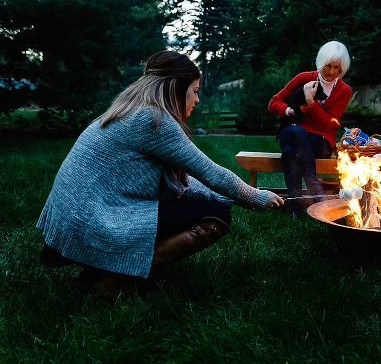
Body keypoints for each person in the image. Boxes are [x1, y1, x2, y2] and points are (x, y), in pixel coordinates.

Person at [37, 51, 284, 301]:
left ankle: (95, 271)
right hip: (93, 222)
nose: (197, 99)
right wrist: (255, 197)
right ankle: (115, 281)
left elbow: (186, 182)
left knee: (209, 204)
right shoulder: (154, 120)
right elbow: (210, 172)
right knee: (215, 216)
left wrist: (235, 197)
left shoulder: (132, 111)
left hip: (78, 218)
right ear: (176, 88)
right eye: (195, 91)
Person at [268, 41, 352, 216]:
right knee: (297, 133)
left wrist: (311, 104)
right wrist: (292, 111)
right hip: (292, 131)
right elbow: (274, 102)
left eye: (336, 67)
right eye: (327, 65)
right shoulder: (304, 78)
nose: (330, 71)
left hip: (320, 141)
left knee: (290, 151)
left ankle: (295, 207)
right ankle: (317, 192)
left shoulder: (344, 90)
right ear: (321, 62)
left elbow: (329, 124)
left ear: (342, 69)